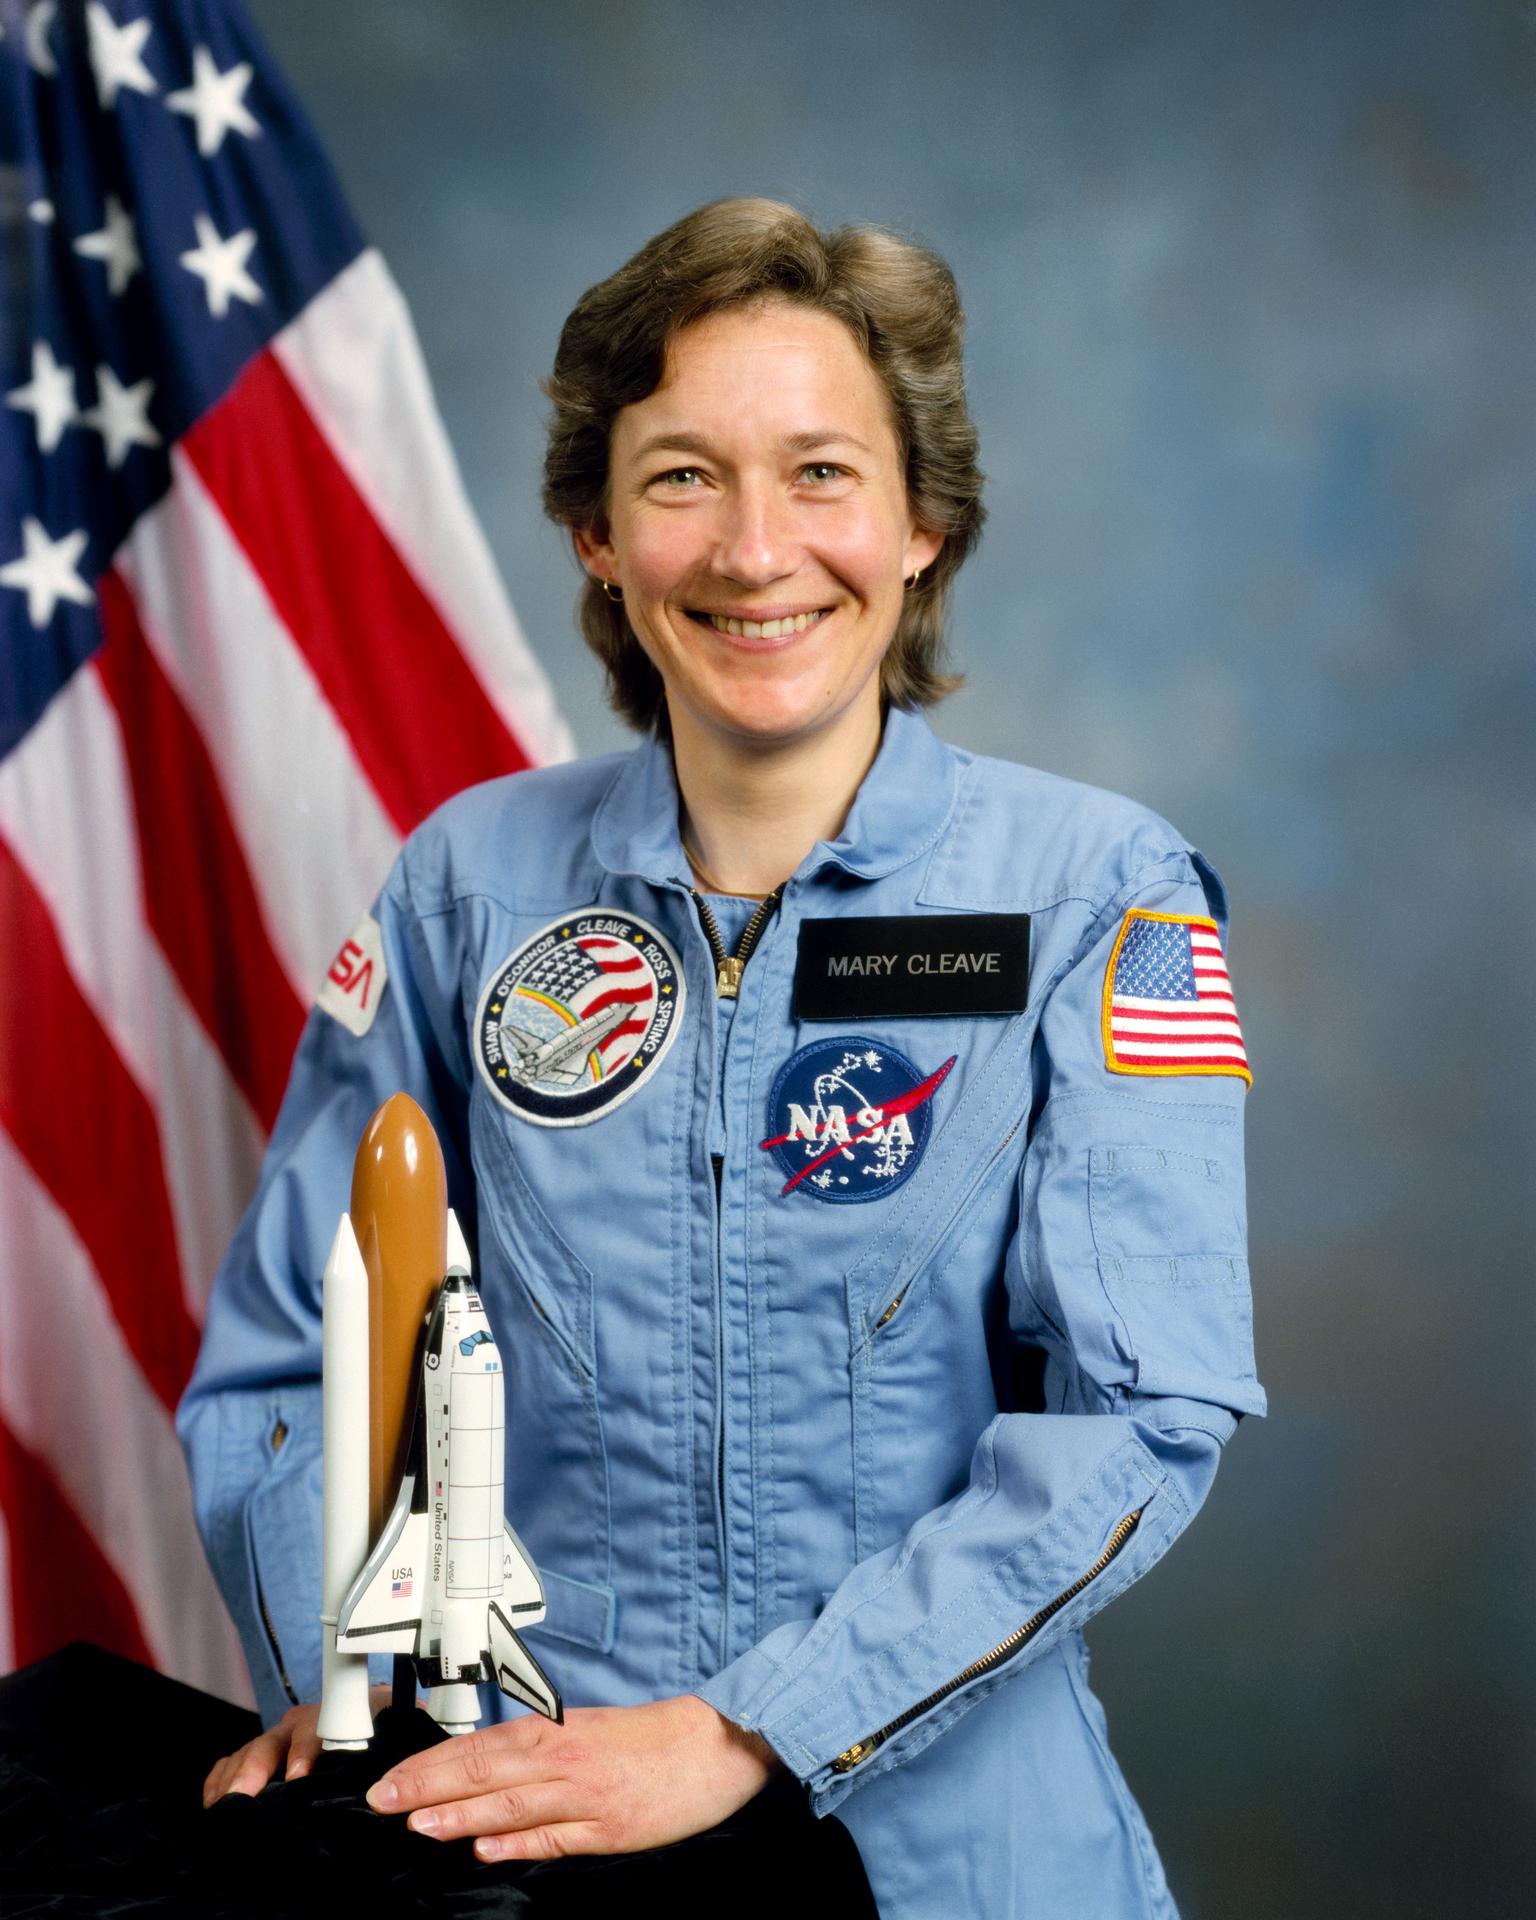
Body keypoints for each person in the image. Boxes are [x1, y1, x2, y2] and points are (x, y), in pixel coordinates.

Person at [180, 197, 1264, 1918]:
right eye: (682, 476)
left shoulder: (1092, 894)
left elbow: (1143, 1420)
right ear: (596, 535)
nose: (758, 551)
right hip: (534, 1825)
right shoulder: (471, 882)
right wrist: (363, 1681)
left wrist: (748, 1733)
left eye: (823, 472)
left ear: (924, 526)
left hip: (949, 1857)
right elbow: (289, 1361)